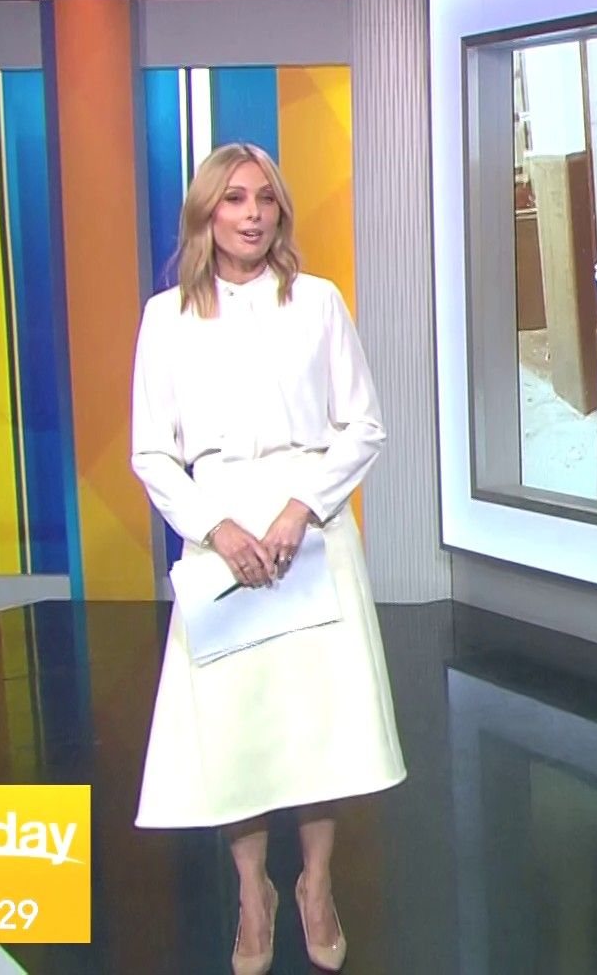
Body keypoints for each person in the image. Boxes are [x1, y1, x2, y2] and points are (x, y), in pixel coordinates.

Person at [129, 143, 403, 975]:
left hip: (310, 530)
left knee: (315, 725)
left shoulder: (317, 302)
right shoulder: (166, 317)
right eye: (235, 199)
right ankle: (254, 893)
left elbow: (363, 425)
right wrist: (215, 529)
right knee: (237, 726)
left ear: (280, 212)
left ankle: (316, 884)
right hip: (219, 534)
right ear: (206, 213)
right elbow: (151, 453)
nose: (252, 214)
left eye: (266, 199)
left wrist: (299, 510)